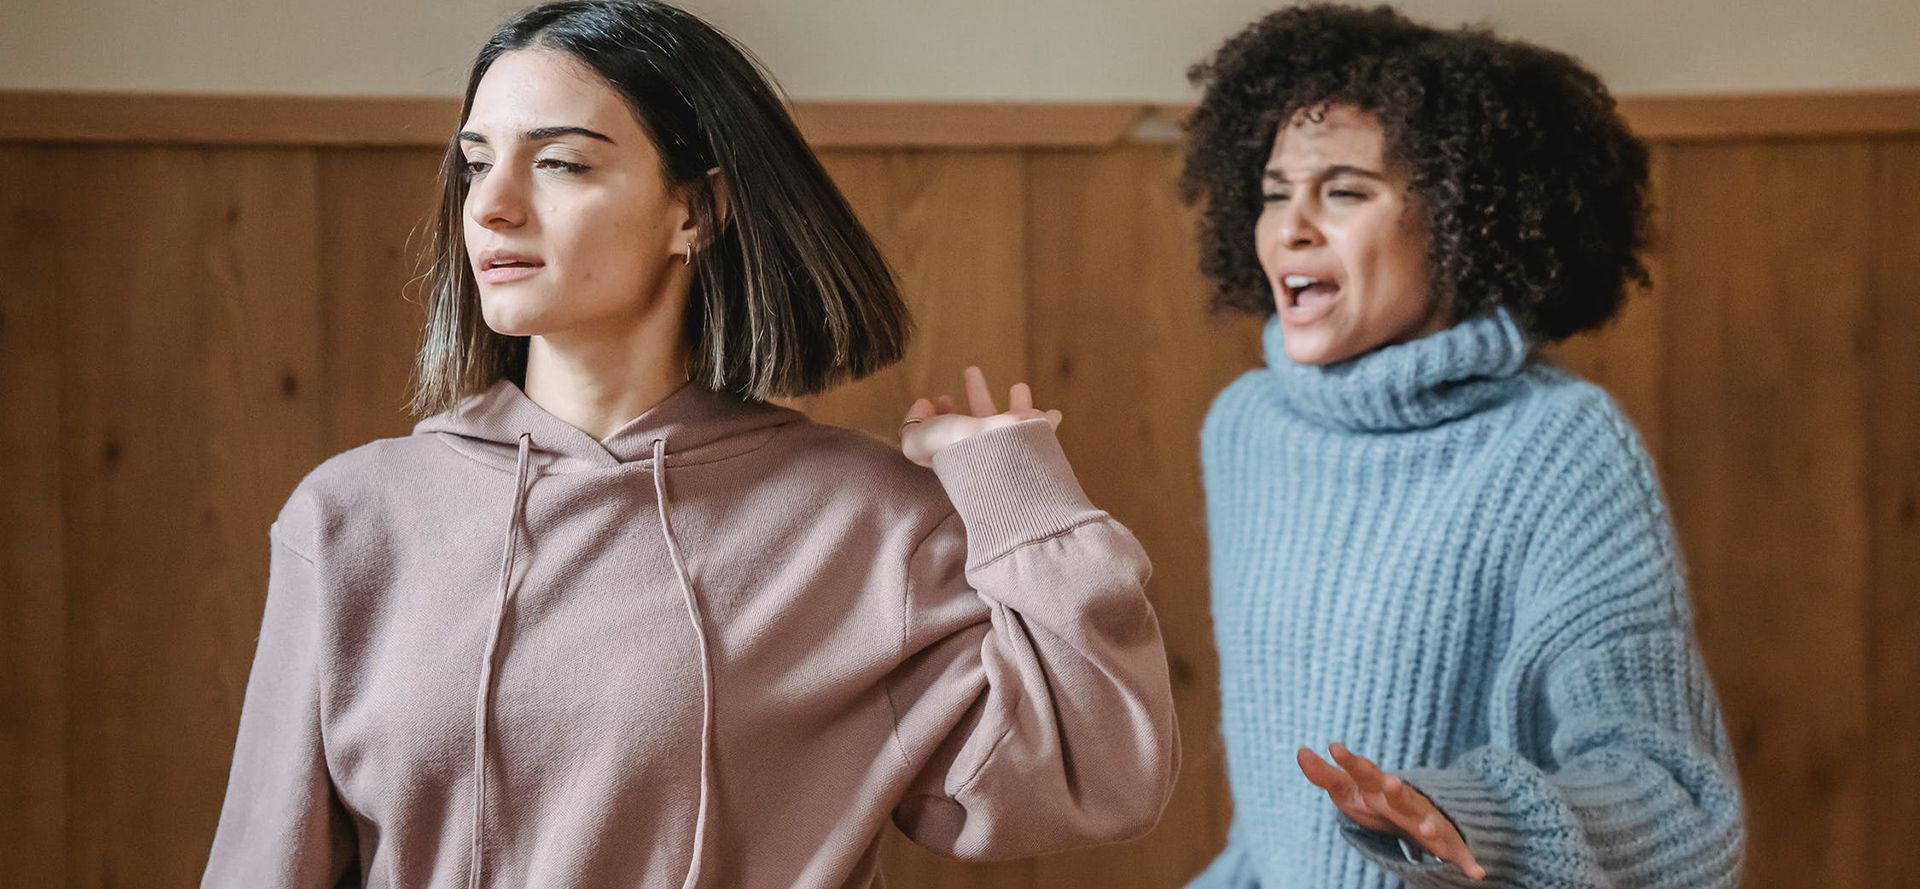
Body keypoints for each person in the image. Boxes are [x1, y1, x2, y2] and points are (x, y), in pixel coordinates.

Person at [200, 3, 1176, 886]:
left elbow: (1106, 775)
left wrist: (1019, 493)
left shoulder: (869, 520)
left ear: (695, 210)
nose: (491, 206)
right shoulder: (353, 517)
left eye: (558, 162)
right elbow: (263, 863)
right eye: (475, 161)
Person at [1180, 5, 1744, 887]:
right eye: (1275, 191)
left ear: (1466, 220)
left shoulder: (1561, 448)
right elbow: (1281, 817)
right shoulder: (1246, 428)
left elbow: (1678, 798)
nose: (1289, 229)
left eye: (1345, 190)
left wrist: (1478, 817)